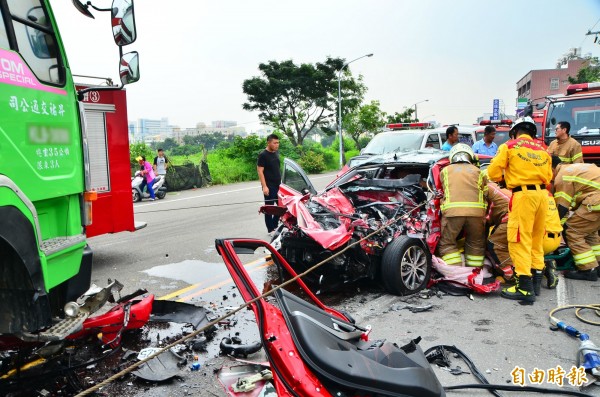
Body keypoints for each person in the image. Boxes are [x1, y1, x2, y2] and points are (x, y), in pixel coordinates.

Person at [487, 116, 552, 304]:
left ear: (515, 132)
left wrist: (504, 179)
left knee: (519, 239)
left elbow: (492, 172)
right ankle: (536, 280)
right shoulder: (543, 149)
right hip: (542, 196)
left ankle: (524, 288)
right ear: (532, 132)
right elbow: (548, 176)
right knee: (536, 238)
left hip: (523, 196)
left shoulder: (510, 146)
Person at [438, 143, 487, 267]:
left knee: (447, 243)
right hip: (476, 214)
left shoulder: (445, 171)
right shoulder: (479, 171)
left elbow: (440, 191)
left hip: (453, 213)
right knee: (476, 243)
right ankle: (474, 272)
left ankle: (457, 273)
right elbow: (486, 192)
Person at [552, 157, 600, 281]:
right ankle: (597, 265)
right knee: (589, 232)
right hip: (596, 201)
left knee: (572, 231)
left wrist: (556, 227)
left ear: (551, 168)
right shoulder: (574, 168)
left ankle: (588, 269)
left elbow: (561, 207)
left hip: (596, 201)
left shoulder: (562, 176)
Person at [484, 180, 513, 281]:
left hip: (510, 219)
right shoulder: (495, 188)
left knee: (494, 244)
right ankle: (539, 268)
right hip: (519, 217)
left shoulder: (486, 190)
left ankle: (509, 274)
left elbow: (488, 218)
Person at [257, 134, 281, 235]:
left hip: (278, 185)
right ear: (268, 143)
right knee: (269, 208)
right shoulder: (263, 155)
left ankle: (275, 225)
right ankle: (270, 229)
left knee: (281, 206)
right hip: (269, 186)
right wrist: (264, 186)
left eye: (278, 143)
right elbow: (260, 171)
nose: (277, 145)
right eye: (274, 143)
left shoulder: (276, 153)